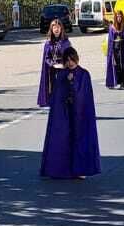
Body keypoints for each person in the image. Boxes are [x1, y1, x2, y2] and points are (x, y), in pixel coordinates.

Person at [41, 47, 101, 179]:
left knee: (79, 139)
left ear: (76, 59)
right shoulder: (62, 75)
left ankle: (80, 169)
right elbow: (58, 95)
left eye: (72, 59)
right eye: (67, 60)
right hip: (65, 113)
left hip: (80, 113)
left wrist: (72, 83)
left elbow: (84, 95)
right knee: (63, 139)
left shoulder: (84, 74)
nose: (70, 63)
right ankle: (60, 169)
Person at [37, 19, 72, 108]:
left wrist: (64, 64)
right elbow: (46, 58)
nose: (56, 29)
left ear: (61, 29)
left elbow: (70, 56)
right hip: (52, 70)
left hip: (63, 69)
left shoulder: (66, 42)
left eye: (58, 27)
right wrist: (52, 64)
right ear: (51, 29)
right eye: (54, 27)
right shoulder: (48, 43)